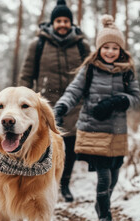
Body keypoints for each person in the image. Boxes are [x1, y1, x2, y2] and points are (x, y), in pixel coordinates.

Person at [53, 15, 140, 221]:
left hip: (117, 131)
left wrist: (119, 100)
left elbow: (135, 98)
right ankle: (105, 216)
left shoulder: (127, 72)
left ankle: (101, 205)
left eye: (114, 48)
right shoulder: (90, 69)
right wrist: (61, 107)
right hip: (94, 129)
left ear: (121, 50)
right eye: (106, 47)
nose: (110, 52)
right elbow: (73, 91)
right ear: (99, 48)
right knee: (103, 176)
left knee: (114, 174)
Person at [18, 0, 91, 202]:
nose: (62, 24)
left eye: (65, 21)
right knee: (44, 144)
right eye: (58, 20)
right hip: (45, 103)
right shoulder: (38, 44)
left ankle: (64, 183)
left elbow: (91, 73)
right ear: (52, 22)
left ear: (71, 23)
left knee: (70, 144)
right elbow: (26, 75)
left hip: (75, 104)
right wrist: (22, 103)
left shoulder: (82, 45)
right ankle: (43, 181)